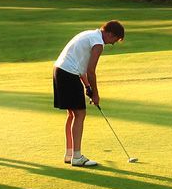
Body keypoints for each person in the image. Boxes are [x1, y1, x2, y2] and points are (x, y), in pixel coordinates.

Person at [53, 20, 125, 167]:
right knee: (80, 114)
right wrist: (96, 94)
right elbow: (91, 70)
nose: (112, 44)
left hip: (59, 71)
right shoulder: (98, 43)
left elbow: (81, 66)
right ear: (110, 34)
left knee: (73, 114)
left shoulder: (90, 34)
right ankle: (77, 157)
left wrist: (87, 86)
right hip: (68, 74)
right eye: (114, 40)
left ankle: (70, 154)